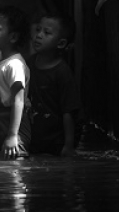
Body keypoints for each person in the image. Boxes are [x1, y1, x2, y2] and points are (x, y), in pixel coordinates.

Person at [27, 13, 81, 157]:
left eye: (47, 33)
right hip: (32, 140)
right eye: (38, 30)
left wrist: (68, 146)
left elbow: (68, 111)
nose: (39, 35)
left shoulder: (62, 73)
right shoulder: (28, 64)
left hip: (56, 143)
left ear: (61, 43)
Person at [0, 5, 32, 160]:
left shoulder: (14, 65)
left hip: (14, 128)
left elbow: (19, 100)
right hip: (2, 126)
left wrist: (13, 136)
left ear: (13, 37)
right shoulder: (2, 64)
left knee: (15, 169)